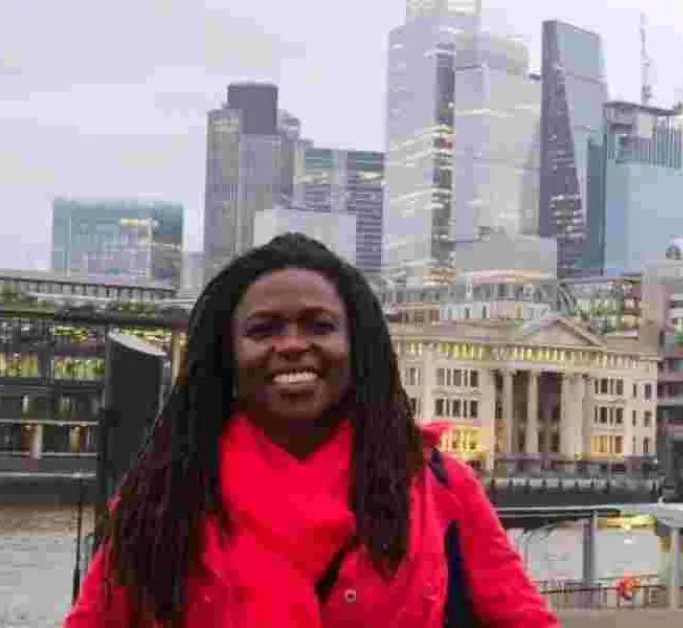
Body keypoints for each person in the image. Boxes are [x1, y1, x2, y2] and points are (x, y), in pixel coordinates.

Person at [65, 234, 559, 627]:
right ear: (227, 356)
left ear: (357, 347)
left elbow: (524, 619)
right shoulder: (164, 495)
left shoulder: (439, 484)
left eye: (319, 326)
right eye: (263, 330)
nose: (292, 345)